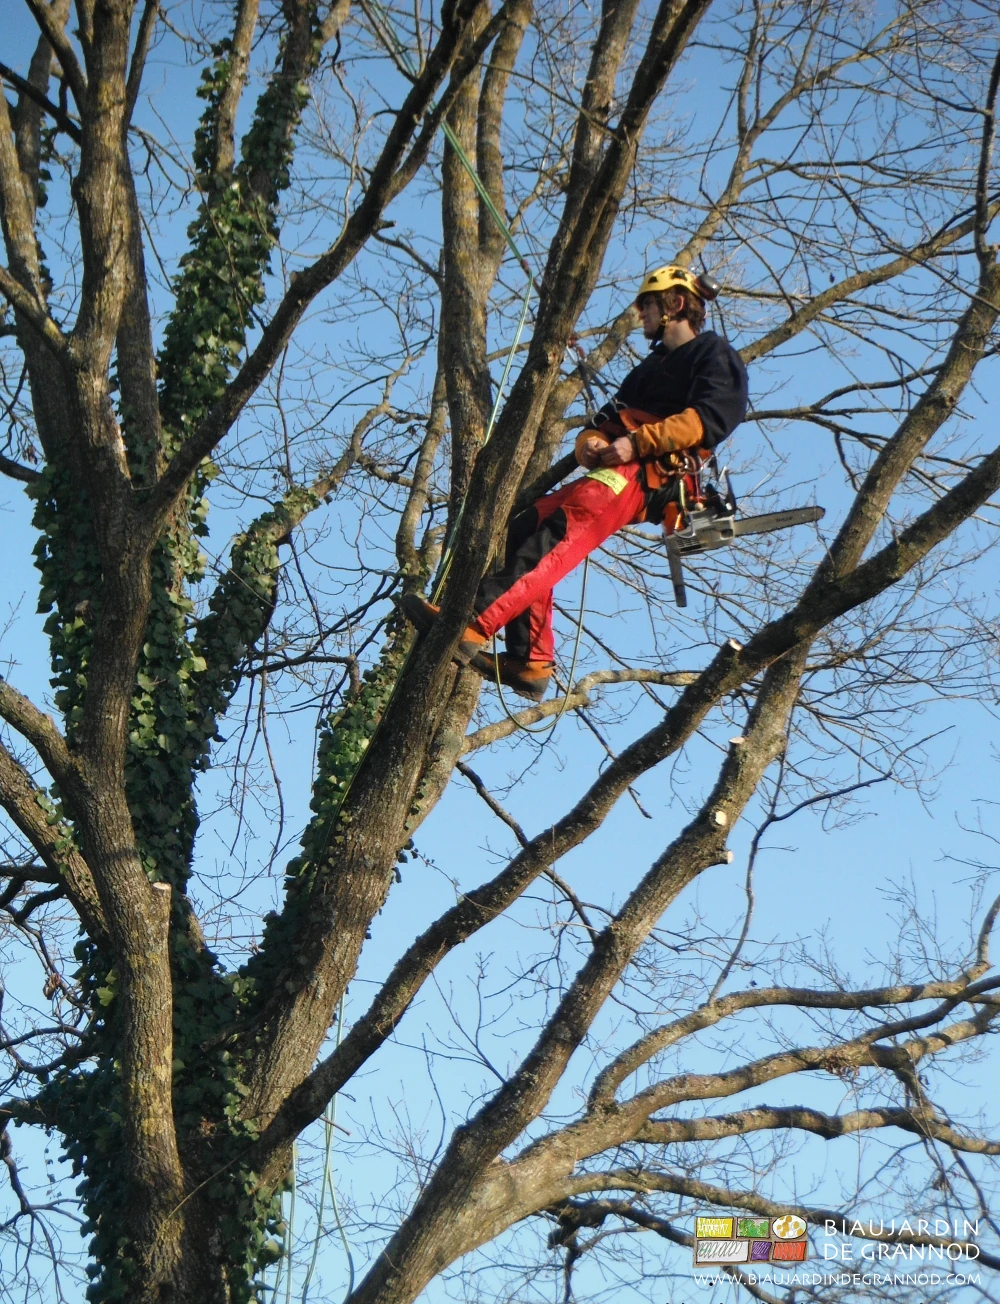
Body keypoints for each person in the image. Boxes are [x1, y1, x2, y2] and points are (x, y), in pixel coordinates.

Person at [402, 265, 749, 701]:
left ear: (675, 303)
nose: (640, 313)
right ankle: (531, 660)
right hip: (621, 467)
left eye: (648, 304)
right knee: (525, 527)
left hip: (652, 473)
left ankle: (471, 622)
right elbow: (601, 422)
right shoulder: (647, 371)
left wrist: (636, 444)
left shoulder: (713, 354)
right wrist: (591, 444)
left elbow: (713, 417)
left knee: (566, 525)